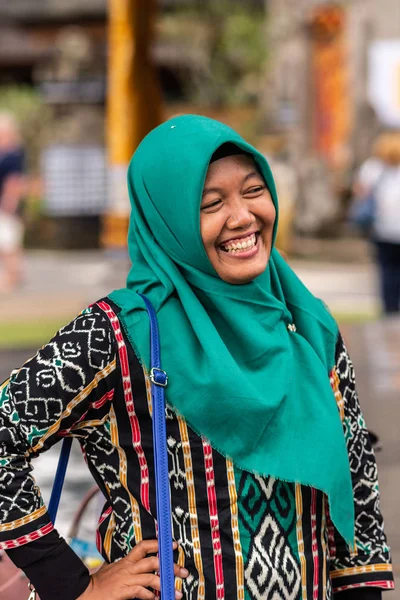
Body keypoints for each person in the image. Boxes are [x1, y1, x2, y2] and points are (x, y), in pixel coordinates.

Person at [0, 116, 394, 600]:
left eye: (254, 190)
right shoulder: (120, 335)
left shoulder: (308, 326)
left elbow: (357, 493)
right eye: (211, 204)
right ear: (168, 220)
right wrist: (70, 584)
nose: (244, 217)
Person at [352, 133, 400, 314]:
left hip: (383, 228)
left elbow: (360, 192)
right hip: (387, 228)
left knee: (387, 270)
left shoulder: (372, 168)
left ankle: (390, 309)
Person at [0, 112, 25, 292]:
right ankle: (11, 275)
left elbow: (14, 181)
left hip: (6, 204)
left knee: (8, 241)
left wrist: (10, 200)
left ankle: (13, 276)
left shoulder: (13, 154)